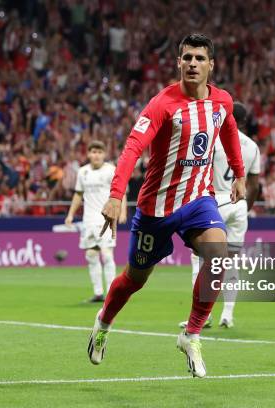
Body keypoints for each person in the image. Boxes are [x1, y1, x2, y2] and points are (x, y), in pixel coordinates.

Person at [87, 33, 246, 378]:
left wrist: (239, 173)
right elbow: (132, 147)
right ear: (178, 63)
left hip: (198, 202)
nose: (193, 64)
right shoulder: (162, 104)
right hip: (156, 209)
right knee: (134, 280)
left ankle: (190, 335)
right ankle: (103, 323)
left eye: (200, 58)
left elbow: (229, 130)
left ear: (211, 65)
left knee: (219, 257)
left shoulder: (222, 102)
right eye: (187, 57)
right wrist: (116, 195)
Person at [180, 102, 260, 329]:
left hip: (216, 202)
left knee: (201, 258)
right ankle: (228, 314)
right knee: (231, 260)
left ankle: (202, 317)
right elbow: (254, 184)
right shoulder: (253, 146)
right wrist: (245, 206)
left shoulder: (215, 139)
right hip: (239, 205)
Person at [65, 141, 127, 302]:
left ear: (104, 154)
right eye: (93, 152)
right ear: (88, 154)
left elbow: (122, 192)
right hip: (88, 221)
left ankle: (113, 293)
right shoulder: (83, 172)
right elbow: (78, 195)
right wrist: (70, 214)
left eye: (99, 152)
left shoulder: (111, 170)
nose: (96, 155)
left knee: (106, 255)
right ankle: (98, 293)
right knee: (91, 255)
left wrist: (122, 211)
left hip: (106, 218)